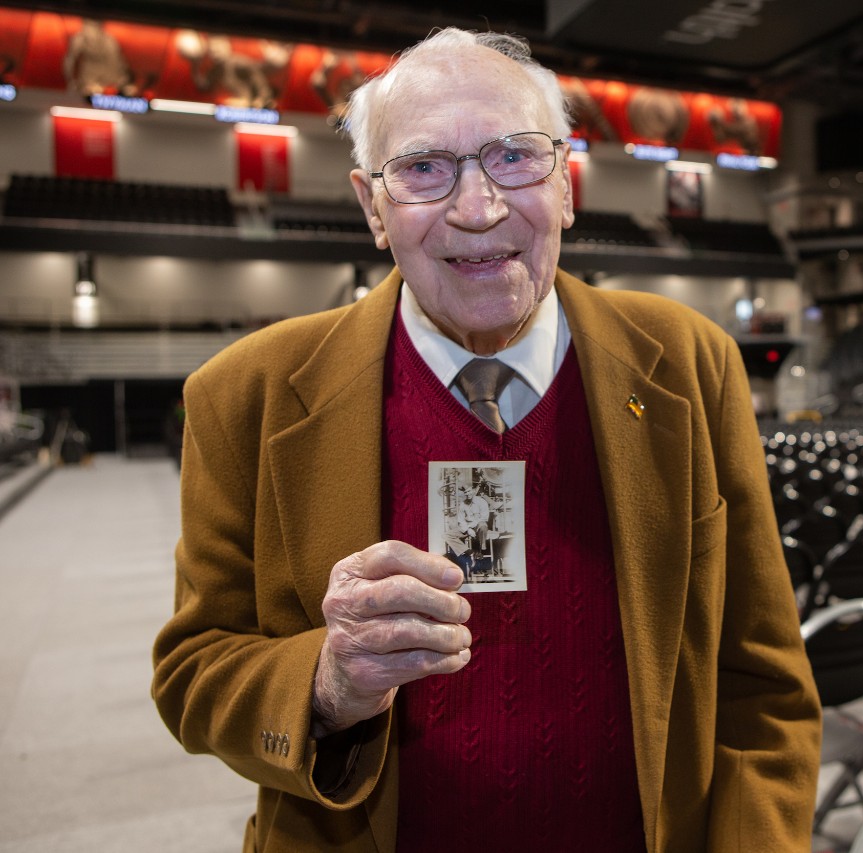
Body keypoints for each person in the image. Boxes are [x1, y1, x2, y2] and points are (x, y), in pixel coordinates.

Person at [152, 27, 820, 853]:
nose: (478, 209)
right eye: (425, 168)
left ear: (566, 186)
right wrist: (325, 683)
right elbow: (192, 675)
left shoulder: (689, 363)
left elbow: (764, 688)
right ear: (372, 206)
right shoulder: (241, 396)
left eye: (515, 156)